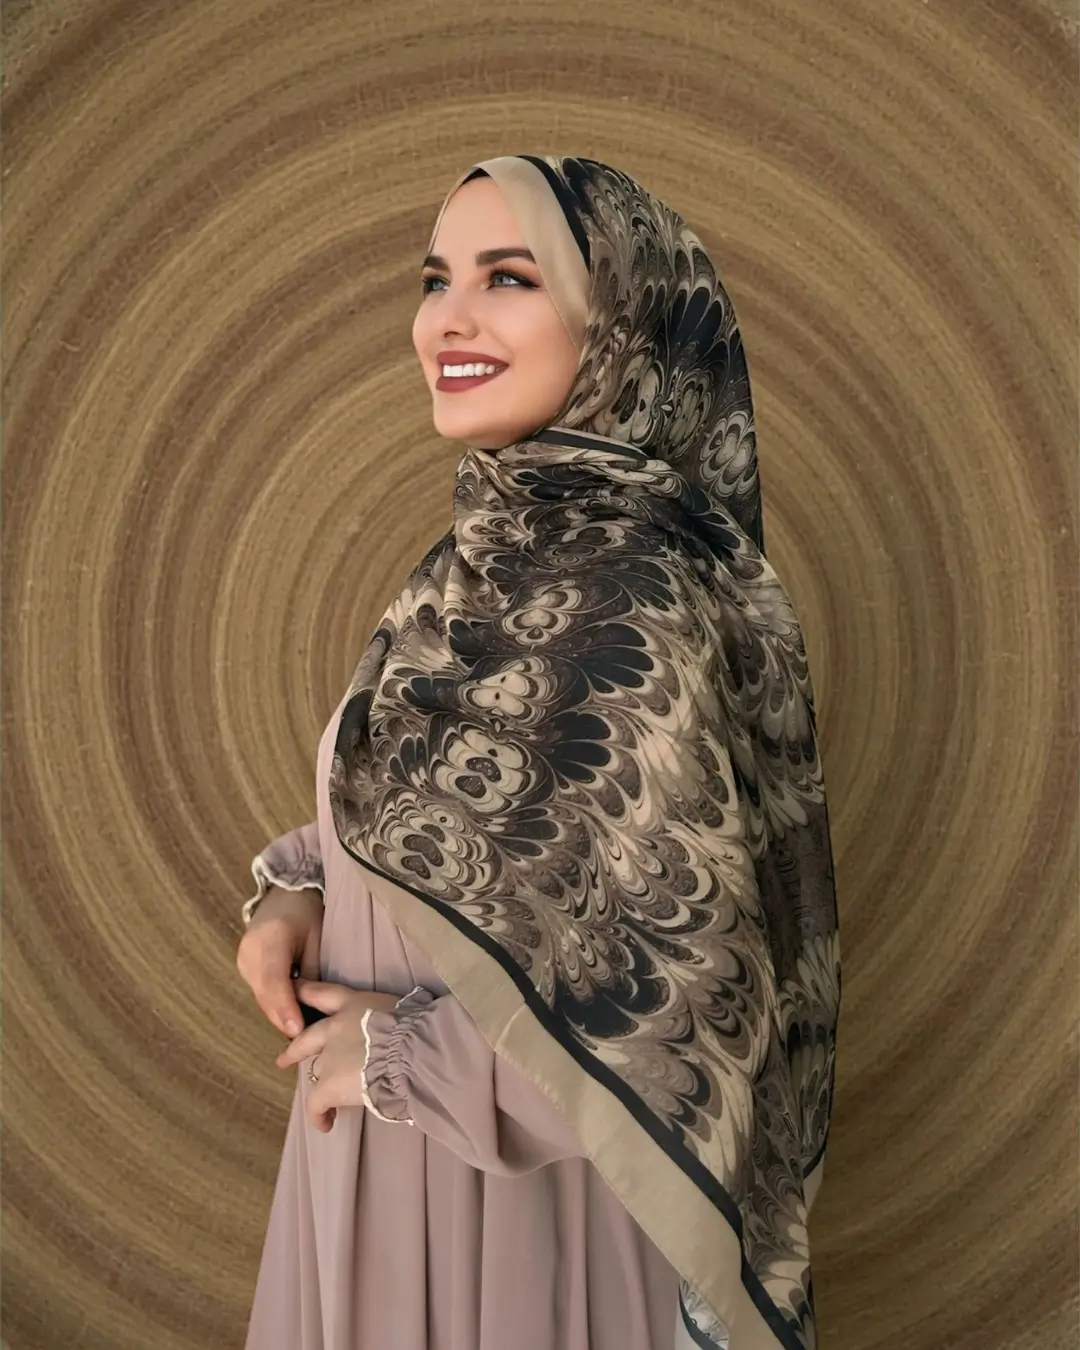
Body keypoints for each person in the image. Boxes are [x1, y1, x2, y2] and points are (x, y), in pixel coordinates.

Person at [236, 155, 840, 1350]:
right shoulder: (478, 565)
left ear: (620, 325)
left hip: (517, 1224)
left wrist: (405, 1057)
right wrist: (300, 893)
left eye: (508, 279)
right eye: (436, 279)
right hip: (391, 1175)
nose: (447, 319)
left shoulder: (631, 596)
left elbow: (686, 1003)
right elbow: (462, 825)